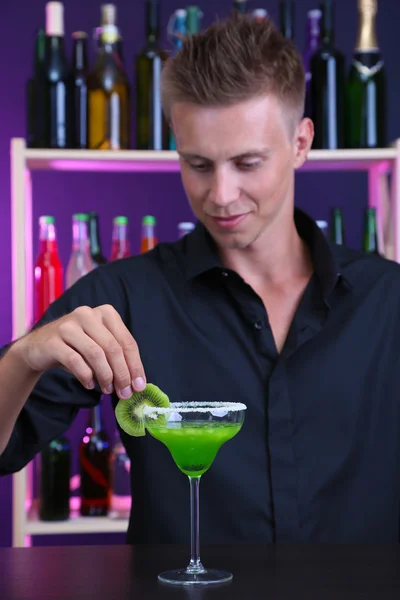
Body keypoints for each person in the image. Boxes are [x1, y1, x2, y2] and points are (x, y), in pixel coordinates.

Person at [1, 15, 400, 544]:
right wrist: (25, 356)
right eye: (198, 164)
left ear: (301, 143)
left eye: (248, 162)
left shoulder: (388, 301)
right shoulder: (122, 297)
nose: (221, 194)